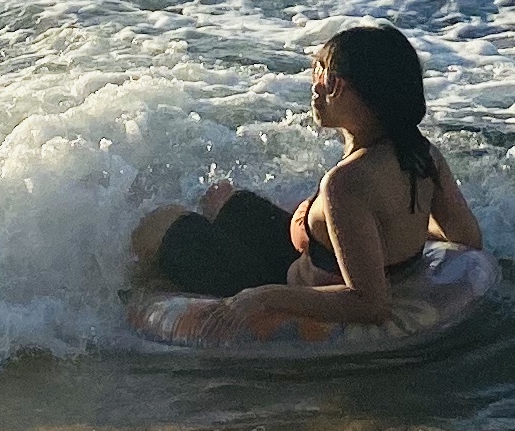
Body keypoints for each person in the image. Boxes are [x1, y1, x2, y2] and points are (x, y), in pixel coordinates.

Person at [130, 24, 481, 336]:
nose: (316, 87)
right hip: (306, 260)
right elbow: (466, 237)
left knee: (157, 225)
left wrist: (262, 297)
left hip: (285, 286)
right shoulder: (423, 154)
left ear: (341, 88)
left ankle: (144, 296)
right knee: (220, 197)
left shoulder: (347, 183)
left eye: (324, 74)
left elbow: (371, 305)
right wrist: (383, 236)